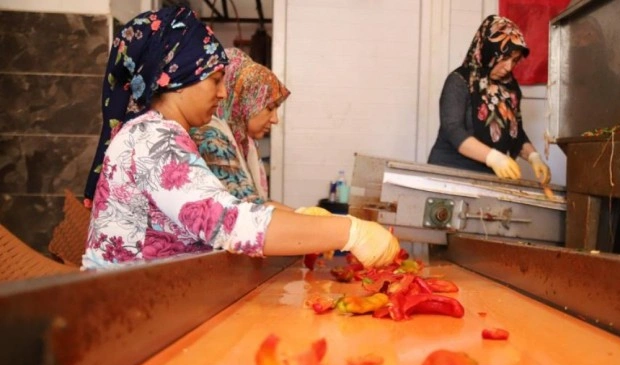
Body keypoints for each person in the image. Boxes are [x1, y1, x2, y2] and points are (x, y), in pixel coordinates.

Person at [81, 6, 399, 270]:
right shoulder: (153, 141)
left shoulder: (159, 133)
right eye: (215, 80)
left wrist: (310, 225)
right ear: (176, 78)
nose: (223, 93)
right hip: (127, 308)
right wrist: (350, 231)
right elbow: (227, 223)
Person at [427, 15, 551, 184]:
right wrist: (493, 158)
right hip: (450, 174)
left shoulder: (510, 88)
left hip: (487, 180)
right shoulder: (459, 81)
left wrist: (533, 157)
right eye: (504, 58)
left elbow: (516, 133)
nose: (509, 67)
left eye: (514, 60)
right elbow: (453, 130)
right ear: (488, 51)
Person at [190, 48, 289, 208]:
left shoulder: (244, 142)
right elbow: (249, 207)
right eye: (270, 108)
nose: (275, 119)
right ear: (244, 102)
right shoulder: (210, 138)